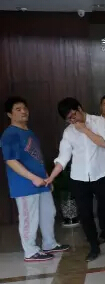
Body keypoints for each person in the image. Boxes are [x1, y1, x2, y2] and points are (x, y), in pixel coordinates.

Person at [47, 97, 105, 261]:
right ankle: (93, 246)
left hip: (101, 175)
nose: (73, 121)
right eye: (69, 119)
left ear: (80, 108)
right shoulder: (68, 132)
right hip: (79, 178)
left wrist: (84, 129)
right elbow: (63, 157)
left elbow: (103, 143)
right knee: (85, 215)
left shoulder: (99, 122)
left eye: (74, 115)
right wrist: (51, 176)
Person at [1, 96, 69, 262]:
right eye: (18, 109)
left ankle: (49, 243)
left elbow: (37, 159)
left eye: (25, 108)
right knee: (29, 218)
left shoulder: (29, 132)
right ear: (9, 114)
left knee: (49, 212)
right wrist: (33, 178)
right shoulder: (10, 134)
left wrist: (47, 178)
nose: (23, 111)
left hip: (42, 182)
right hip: (25, 184)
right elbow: (10, 161)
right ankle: (30, 251)